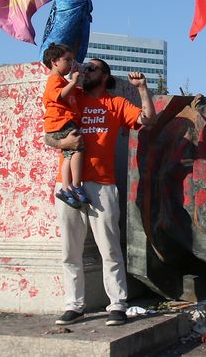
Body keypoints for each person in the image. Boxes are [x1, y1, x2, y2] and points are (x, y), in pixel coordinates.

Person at [45, 59, 156, 326]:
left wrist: (142, 89)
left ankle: (117, 304)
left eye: (92, 68)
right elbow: (49, 135)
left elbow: (149, 120)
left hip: (103, 185)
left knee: (109, 248)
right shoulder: (72, 97)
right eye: (85, 68)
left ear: (105, 75)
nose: (85, 71)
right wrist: (64, 141)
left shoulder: (116, 104)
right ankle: (74, 304)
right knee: (70, 250)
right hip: (69, 184)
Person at [41, 43, 90, 209]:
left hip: (62, 122)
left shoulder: (61, 81)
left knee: (68, 155)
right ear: (54, 62)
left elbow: (74, 92)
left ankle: (65, 187)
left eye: (71, 60)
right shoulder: (54, 80)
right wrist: (73, 81)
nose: (70, 64)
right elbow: (60, 96)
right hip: (60, 122)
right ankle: (76, 185)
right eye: (67, 60)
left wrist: (76, 84)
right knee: (77, 149)